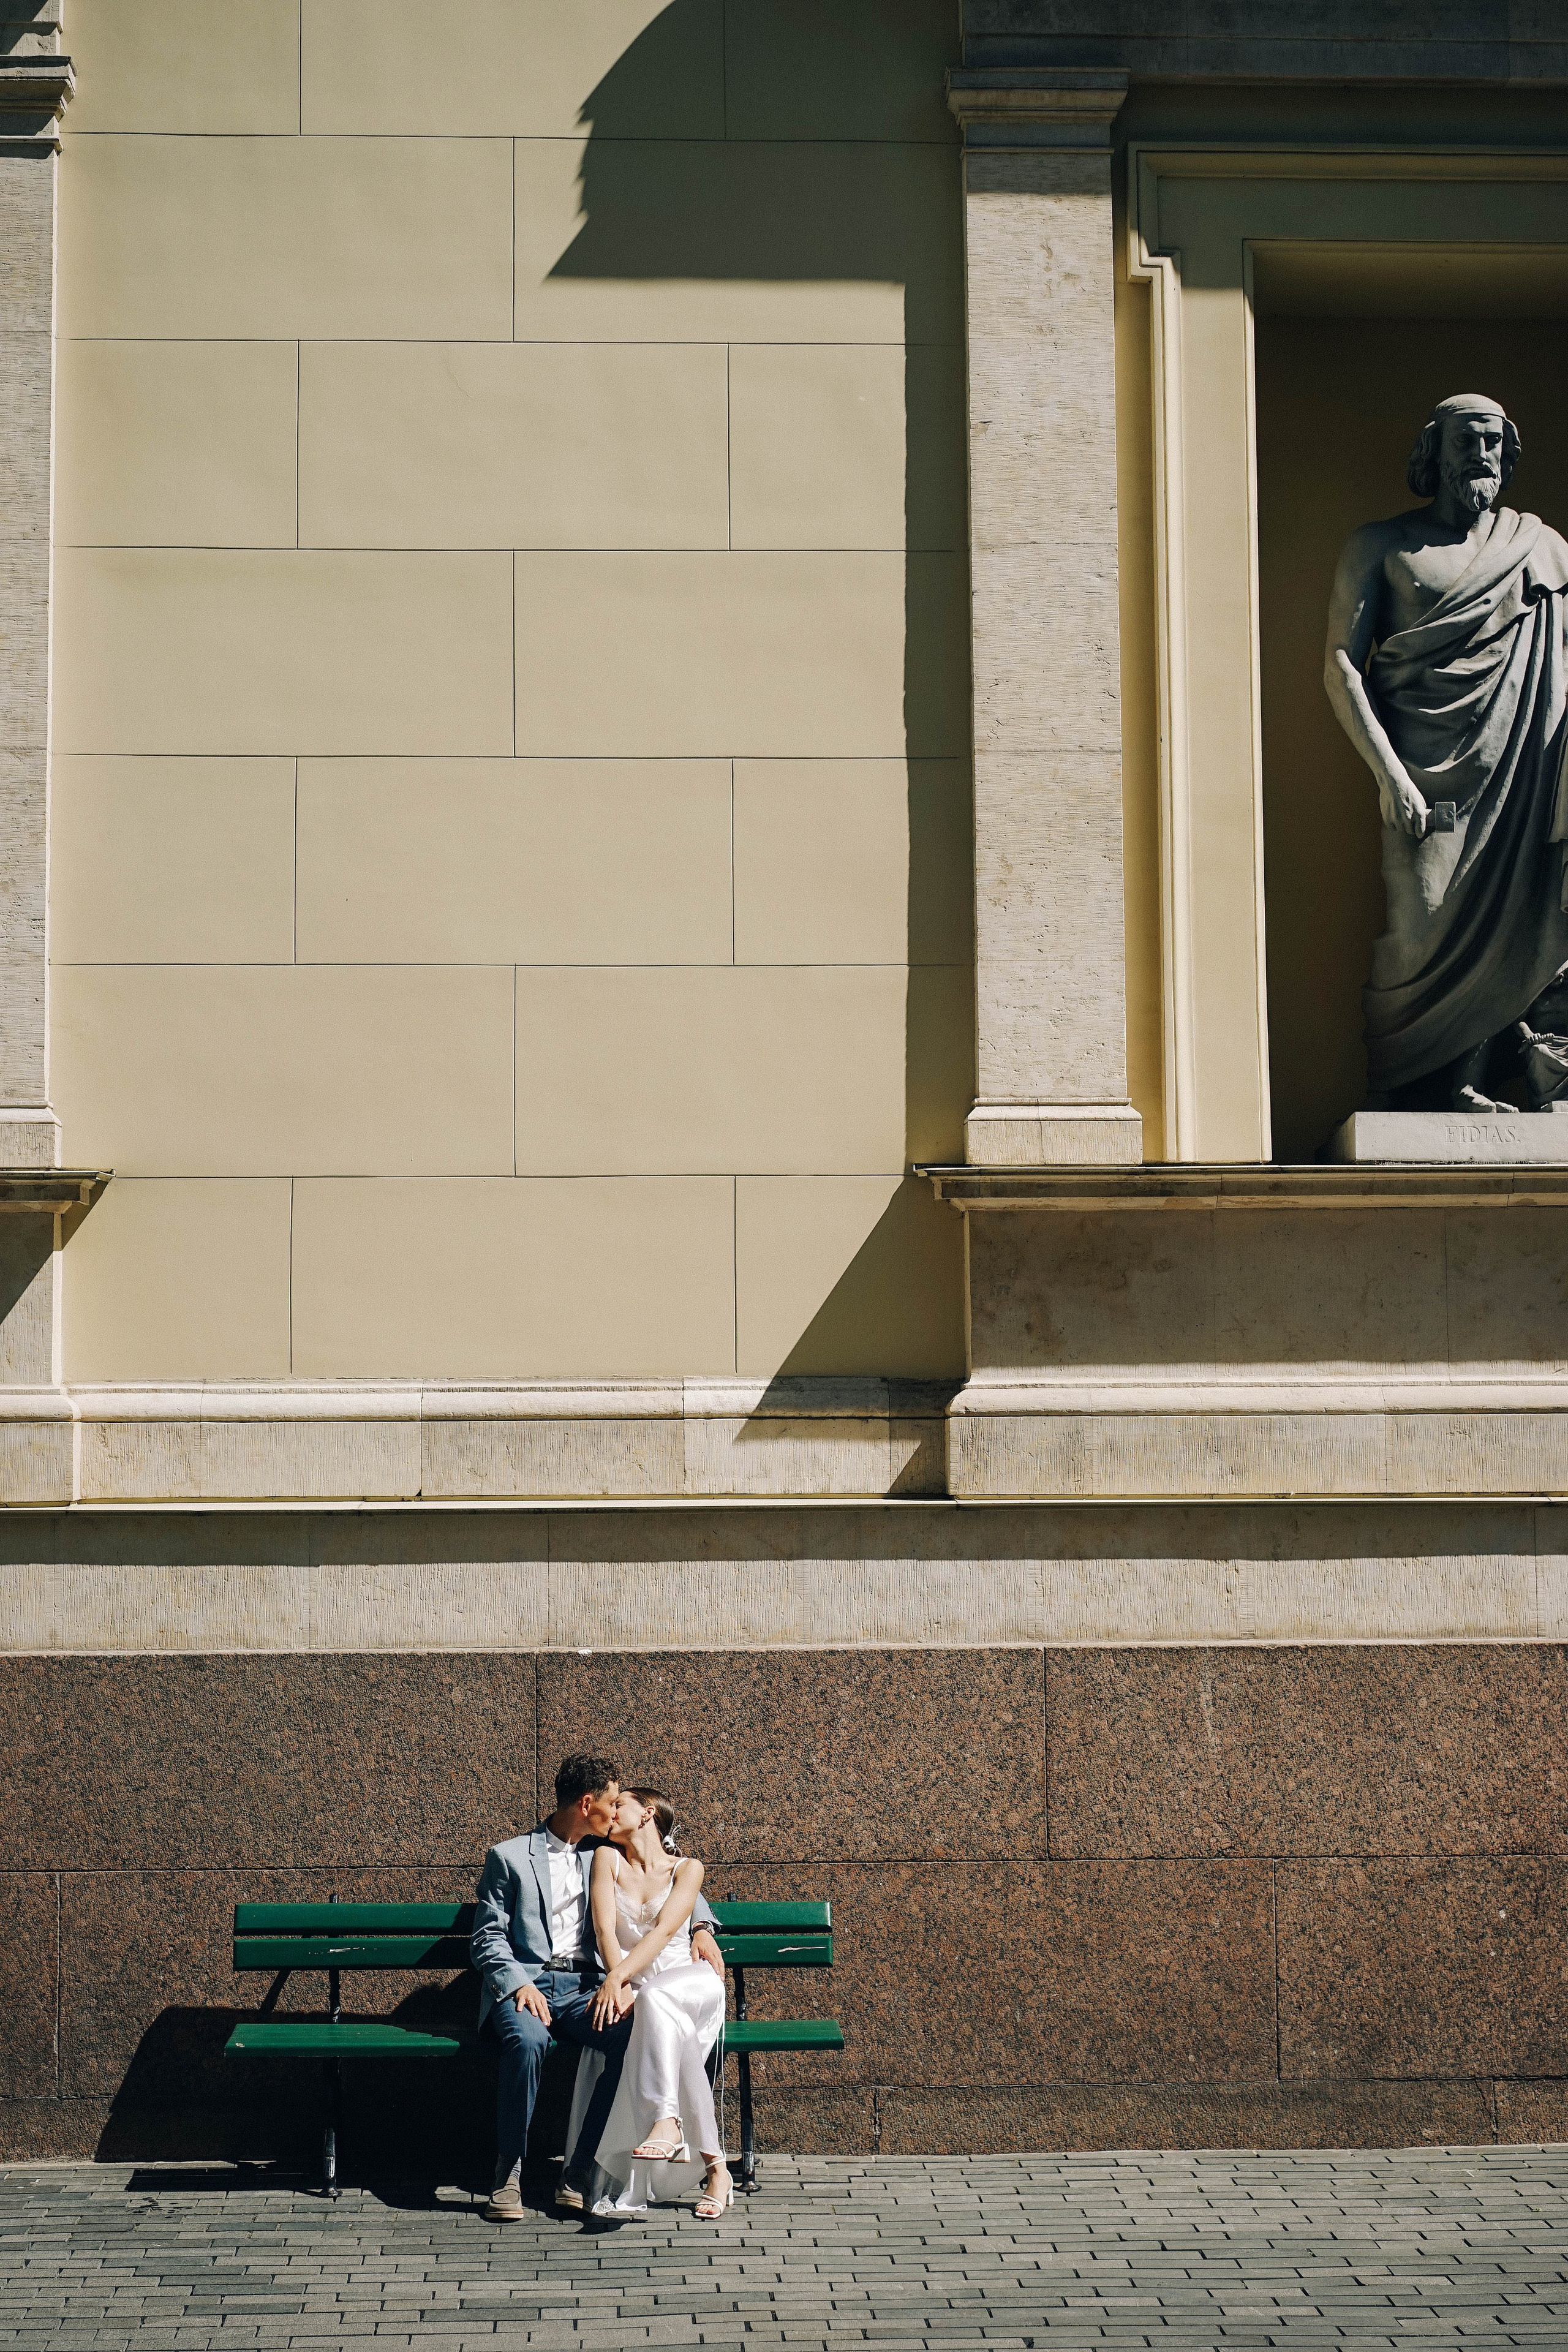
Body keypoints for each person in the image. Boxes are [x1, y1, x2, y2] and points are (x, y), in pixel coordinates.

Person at [1324, 393, 1568, 1114]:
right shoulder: (1382, 546)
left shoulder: (1544, 549)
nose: (1481, 456)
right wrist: (1387, 775)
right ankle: (1417, 1087)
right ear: (1433, 452)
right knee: (1422, 923)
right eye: (1465, 441)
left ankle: (1477, 1081)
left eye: (1493, 443)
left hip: (1523, 777)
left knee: (1525, 922)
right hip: (1425, 782)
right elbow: (1340, 664)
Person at [468, 1752, 725, 2224]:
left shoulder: (602, 1853)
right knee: (527, 2043)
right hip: (530, 1982)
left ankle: (579, 2171)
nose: (616, 1813)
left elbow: (671, 1878)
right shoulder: (508, 1857)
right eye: (612, 1803)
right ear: (588, 1804)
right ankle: (508, 2173)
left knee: (631, 2036)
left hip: (584, 1986)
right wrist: (517, 1984)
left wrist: (703, 1926)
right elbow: (486, 1936)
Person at [570, 1788, 731, 2221]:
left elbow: (662, 1933)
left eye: (620, 1803)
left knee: (659, 1999)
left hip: (689, 1982)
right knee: (664, 2020)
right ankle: (718, 2170)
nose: (610, 1810)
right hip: (639, 1987)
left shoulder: (688, 1868)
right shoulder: (607, 1859)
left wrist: (616, 1980)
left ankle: (667, 2120)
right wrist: (619, 1979)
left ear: (647, 1814)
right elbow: (605, 1931)